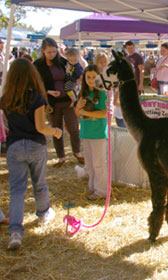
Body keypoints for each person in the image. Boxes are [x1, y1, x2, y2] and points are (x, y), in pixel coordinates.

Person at [0, 58, 62, 250]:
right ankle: (43, 214)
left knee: (17, 190)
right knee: (39, 183)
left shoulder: (6, 99)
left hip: (15, 147)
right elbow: (40, 127)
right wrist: (56, 131)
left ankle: (15, 232)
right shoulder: (36, 98)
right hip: (35, 145)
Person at [34, 38, 84, 167]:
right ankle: (61, 157)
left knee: (73, 128)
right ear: (43, 51)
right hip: (51, 104)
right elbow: (35, 84)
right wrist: (48, 92)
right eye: (49, 52)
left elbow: (74, 73)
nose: (52, 55)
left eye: (54, 52)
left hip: (68, 101)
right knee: (56, 130)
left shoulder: (63, 62)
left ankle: (77, 152)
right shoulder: (37, 65)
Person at [75, 64, 108, 200]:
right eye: (88, 77)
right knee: (89, 163)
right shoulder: (82, 93)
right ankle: (93, 187)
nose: (91, 80)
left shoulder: (101, 93)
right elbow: (77, 112)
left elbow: (104, 113)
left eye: (94, 77)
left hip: (98, 133)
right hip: (86, 132)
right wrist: (78, 109)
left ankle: (101, 190)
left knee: (99, 163)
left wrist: (85, 111)